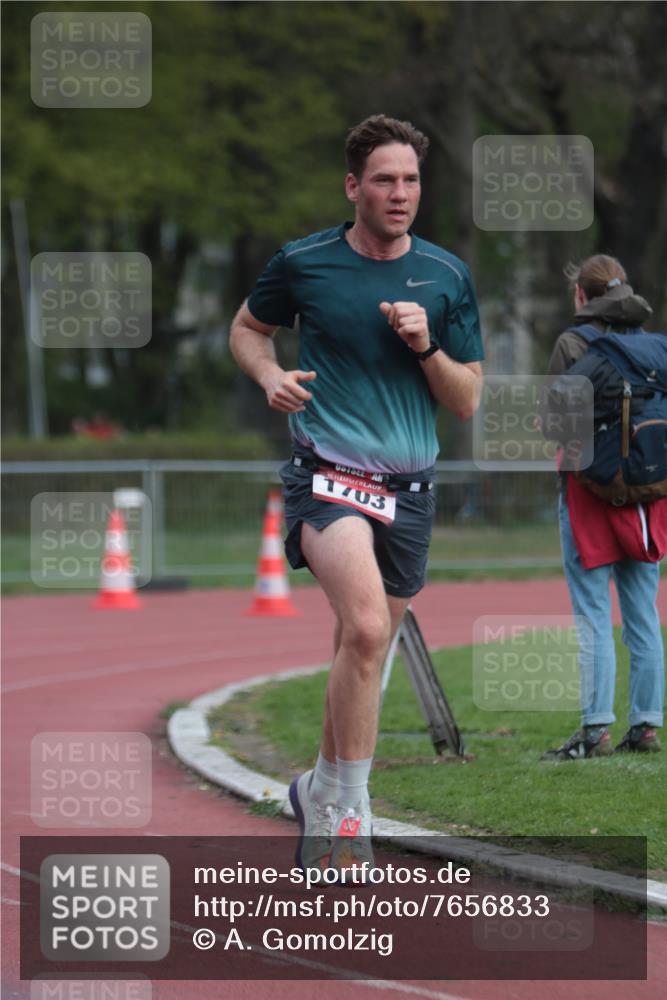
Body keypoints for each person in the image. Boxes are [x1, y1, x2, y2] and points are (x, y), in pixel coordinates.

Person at [229, 114, 483, 878]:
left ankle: (316, 785)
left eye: (409, 180)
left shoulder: (445, 276)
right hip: (328, 477)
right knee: (369, 629)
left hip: (409, 488)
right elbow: (247, 329)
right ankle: (348, 812)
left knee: (356, 647)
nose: (399, 193)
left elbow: (466, 399)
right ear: (353, 187)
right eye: (384, 179)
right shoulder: (304, 263)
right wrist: (271, 376)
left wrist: (425, 347)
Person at [542, 254, 666, 762]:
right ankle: (648, 724)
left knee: (593, 614)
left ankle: (595, 730)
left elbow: (555, 424)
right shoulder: (652, 345)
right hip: (649, 498)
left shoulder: (573, 344)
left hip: (588, 494)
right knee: (643, 614)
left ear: (581, 298)